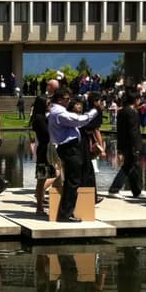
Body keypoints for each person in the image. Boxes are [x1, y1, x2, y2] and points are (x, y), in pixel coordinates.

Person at [48, 86, 96, 222]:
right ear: (59, 99)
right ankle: (65, 214)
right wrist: (94, 111)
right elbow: (79, 120)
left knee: (72, 180)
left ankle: (67, 212)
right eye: (67, 99)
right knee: (73, 181)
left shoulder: (56, 111)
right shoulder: (60, 113)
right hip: (69, 149)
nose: (69, 101)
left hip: (68, 148)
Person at [109, 90, 142, 198]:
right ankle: (114, 188)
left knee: (133, 166)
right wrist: (135, 146)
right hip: (132, 144)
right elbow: (133, 131)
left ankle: (136, 190)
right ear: (135, 100)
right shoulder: (132, 112)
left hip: (124, 143)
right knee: (129, 166)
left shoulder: (122, 111)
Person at [30, 95, 52, 216]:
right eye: (48, 104)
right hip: (44, 150)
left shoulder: (42, 117)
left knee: (42, 178)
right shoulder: (39, 118)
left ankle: (40, 205)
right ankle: (39, 206)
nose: (50, 106)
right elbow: (46, 135)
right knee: (42, 178)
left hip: (44, 149)